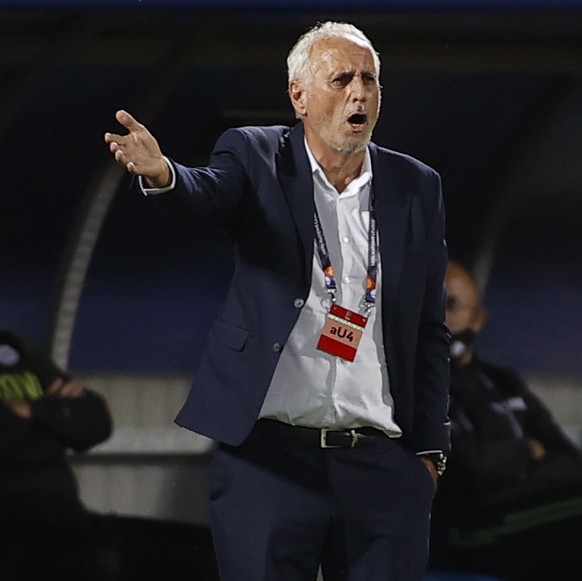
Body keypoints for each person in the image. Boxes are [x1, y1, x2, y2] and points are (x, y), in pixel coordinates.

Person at [105, 21, 450, 581]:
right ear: (300, 95)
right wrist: (166, 175)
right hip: (270, 460)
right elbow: (207, 194)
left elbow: (430, 329)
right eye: (341, 79)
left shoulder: (417, 185)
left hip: (381, 462)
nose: (358, 92)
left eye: (369, 79)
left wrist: (430, 452)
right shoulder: (255, 154)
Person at [0, 328, 220, 581]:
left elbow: (94, 424)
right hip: (12, 523)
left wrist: (32, 410)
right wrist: (53, 414)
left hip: (67, 518)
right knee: (95, 561)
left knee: (205, 551)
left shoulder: (15, 350)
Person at [428, 260, 582, 581]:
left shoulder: (502, 382)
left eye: (450, 304)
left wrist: (520, 467)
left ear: (477, 318)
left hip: (530, 512)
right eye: (428, 300)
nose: (436, 314)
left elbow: (568, 457)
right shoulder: (419, 384)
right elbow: (469, 467)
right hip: (469, 529)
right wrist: (529, 452)